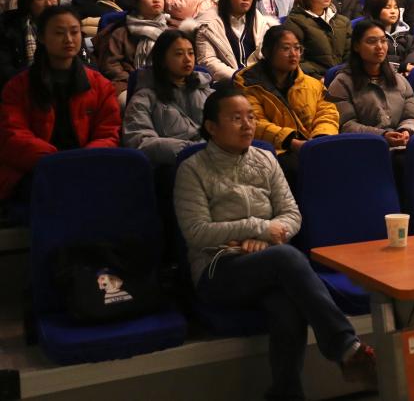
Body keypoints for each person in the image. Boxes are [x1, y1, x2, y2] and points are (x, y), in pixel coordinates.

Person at [174, 87, 375, 399]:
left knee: (285, 304)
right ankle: (346, 347)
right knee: (287, 258)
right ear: (211, 127)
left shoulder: (266, 159)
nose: (247, 125)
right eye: (236, 119)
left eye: (251, 117)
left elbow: (292, 215)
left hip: (267, 261)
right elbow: (197, 232)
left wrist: (264, 239)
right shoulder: (192, 169)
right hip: (218, 269)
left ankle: (285, 394)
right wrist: (261, 229)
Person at [0, 7, 120, 201]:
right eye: (59, 33)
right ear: (41, 37)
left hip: (87, 166)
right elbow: (13, 135)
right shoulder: (18, 86)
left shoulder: (100, 85)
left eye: (74, 32)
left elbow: (109, 133)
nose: (68, 39)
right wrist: (57, 161)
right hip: (36, 169)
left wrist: (83, 160)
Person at [234, 27, 339, 180]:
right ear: (267, 51)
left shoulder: (311, 84)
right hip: (274, 149)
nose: (293, 54)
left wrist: (320, 138)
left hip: (312, 144)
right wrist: (291, 142)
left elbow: (328, 113)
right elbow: (255, 123)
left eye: (297, 48)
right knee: (299, 169)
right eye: (285, 48)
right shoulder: (247, 83)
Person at [122, 29, 213, 167]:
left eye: (191, 53)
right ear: (162, 59)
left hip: (215, 160)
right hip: (175, 166)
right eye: (179, 54)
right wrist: (191, 150)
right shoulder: (144, 97)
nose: (187, 59)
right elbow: (140, 141)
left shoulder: (205, 90)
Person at [326, 19, 414, 146]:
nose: (379, 46)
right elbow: (346, 126)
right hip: (365, 148)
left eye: (383, 41)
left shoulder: (399, 80)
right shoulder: (342, 83)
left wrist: (406, 131)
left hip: (403, 147)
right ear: (356, 46)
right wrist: (382, 136)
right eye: (372, 41)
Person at [92, 0, 170, 104]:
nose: (156, 0)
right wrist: (134, 80)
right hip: (128, 82)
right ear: (136, 1)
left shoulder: (170, 31)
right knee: (130, 102)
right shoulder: (121, 32)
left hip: (163, 82)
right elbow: (111, 65)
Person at [195, 0, 278, 82]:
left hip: (258, 81)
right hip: (226, 83)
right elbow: (208, 60)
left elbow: (269, 55)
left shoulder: (259, 21)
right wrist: (238, 77)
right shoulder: (208, 24)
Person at [282, 0, 352, 80]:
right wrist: (318, 79)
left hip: (343, 79)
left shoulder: (343, 22)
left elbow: (350, 54)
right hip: (312, 81)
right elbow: (297, 59)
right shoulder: (294, 22)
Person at [0, 0, 62, 89]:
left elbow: (86, 63)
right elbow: (4, 70)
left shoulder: (66, 22)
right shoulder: (7, 26)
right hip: (20, 88)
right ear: (27, 0)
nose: (49, 4)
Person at [363, 0, 414, 74]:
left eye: (396, 7)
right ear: (375, 10)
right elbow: (372, 57)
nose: (393, 11)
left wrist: (411, 67)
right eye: (387, 7)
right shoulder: (367, 35)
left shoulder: (404, 33)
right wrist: (402, 66)